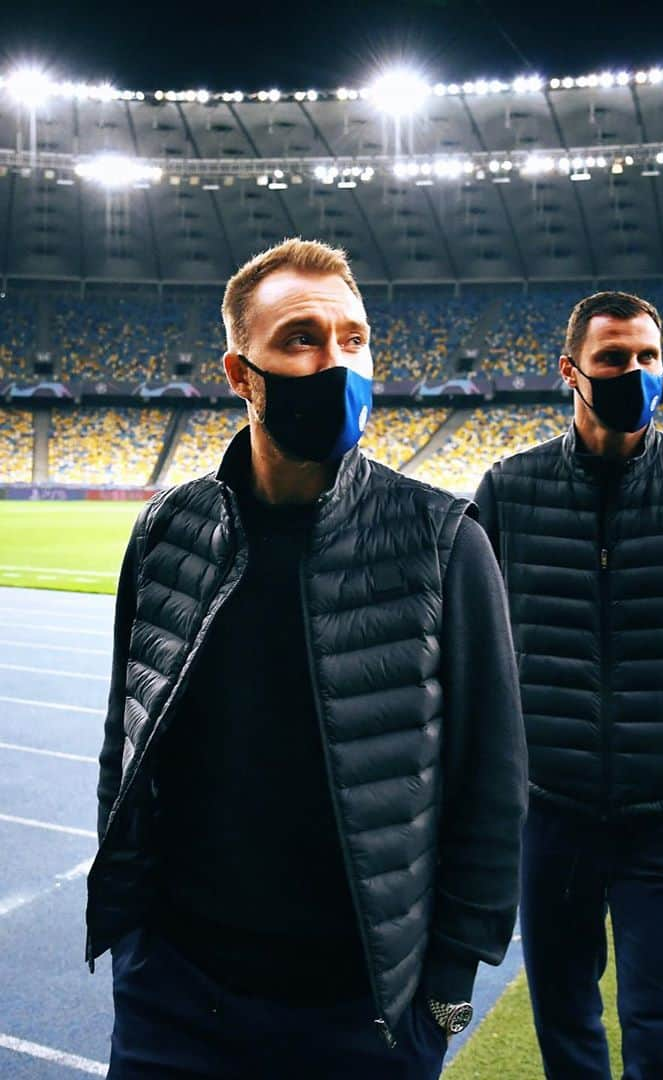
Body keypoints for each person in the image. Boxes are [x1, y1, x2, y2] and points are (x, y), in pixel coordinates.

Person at [86, 238, 527, 1079]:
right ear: (239, 374)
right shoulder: (165, 532)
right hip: (175, 994)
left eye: (353, 339)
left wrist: (448, 980)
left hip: (362, 1014)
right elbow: (127, 736)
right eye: (301, 339)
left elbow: (491, 779)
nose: (337, 362)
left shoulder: (443, 541)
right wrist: (135, 934)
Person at [474, 291, 663, 1079]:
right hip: (550, 818)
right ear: (571, 370)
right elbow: (474, 639)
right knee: (566, 1022)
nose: (635, 372)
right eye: (615, 357)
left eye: (650, 357)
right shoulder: (509, 490)